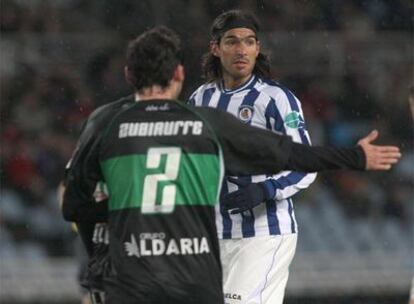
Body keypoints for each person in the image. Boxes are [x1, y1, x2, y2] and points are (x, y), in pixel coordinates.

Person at [61, 26, 400, 304]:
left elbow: (74, 204)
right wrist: (354, 157)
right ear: (179, 74)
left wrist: (119, 214)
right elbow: (289, 153)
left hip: (132, 275)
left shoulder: (106, 122)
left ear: (128, 74)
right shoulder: (202, 119)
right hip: (193, 274)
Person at [188, 9, 316, 303]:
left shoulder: (276, 99)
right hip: (215, 233)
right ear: (215, 48)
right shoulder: (200, 99)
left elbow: (307, 165)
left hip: (264, 232)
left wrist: (266, 188)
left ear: (258, 48)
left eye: (249, 42)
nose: (241, 49)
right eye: (232, 41)